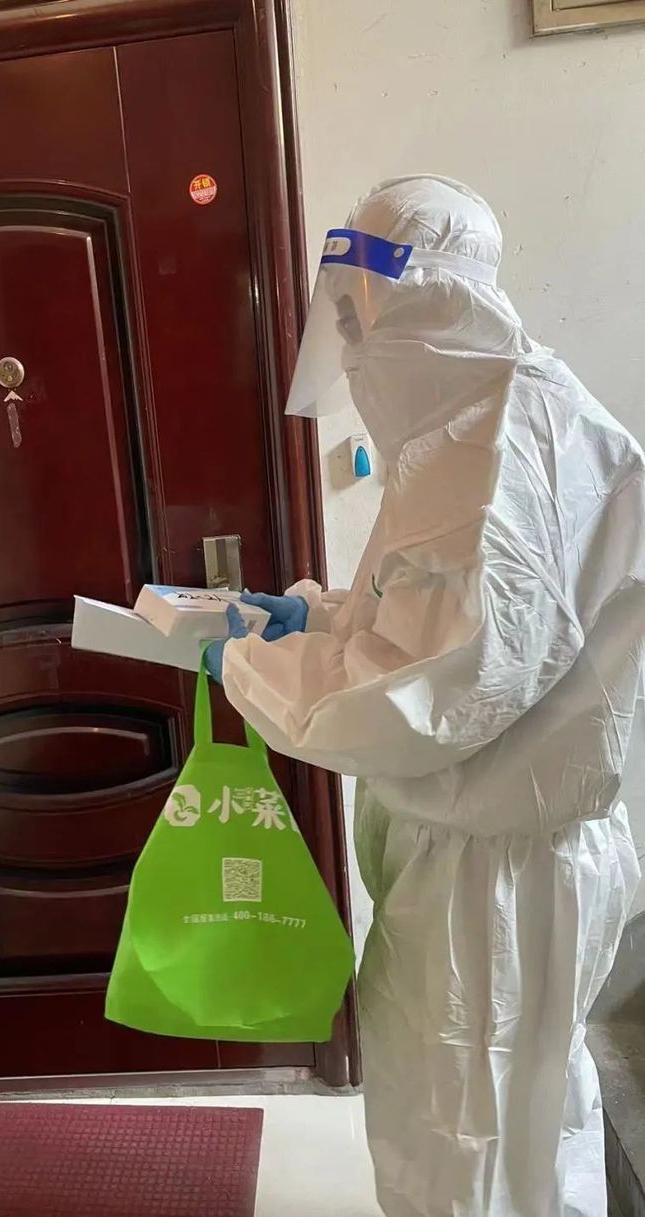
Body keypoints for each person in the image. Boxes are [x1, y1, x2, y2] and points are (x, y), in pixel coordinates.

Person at [204, 176, 645, 1217]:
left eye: (361, 307)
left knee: (470, 1145)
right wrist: (315, 618)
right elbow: (436, 624)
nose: (352, 339)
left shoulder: (499, 450)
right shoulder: (481, 418)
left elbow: (422, 699)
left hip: (496, 873)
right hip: (490, 847)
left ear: (429, 294)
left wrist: (248, 662)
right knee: (497, 1122)